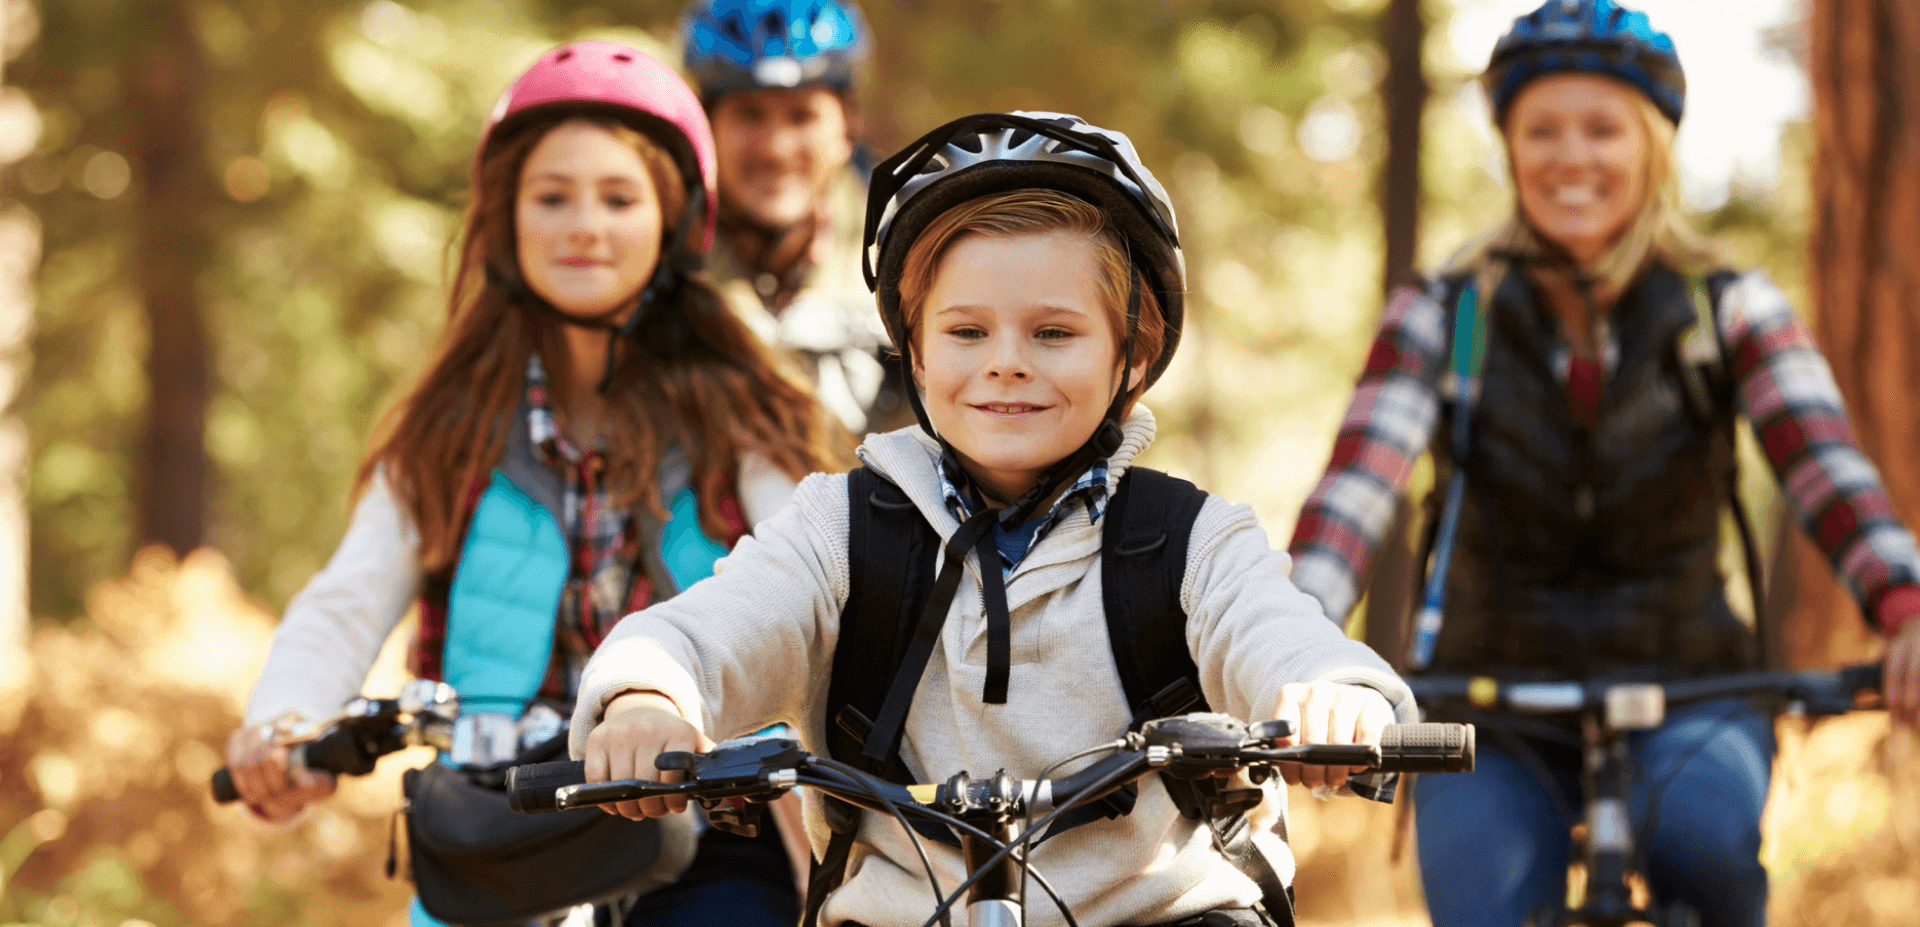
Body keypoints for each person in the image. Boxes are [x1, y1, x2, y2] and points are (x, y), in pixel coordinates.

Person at [565, 111, 1419, 927]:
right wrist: (647, 697)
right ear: (916, 350)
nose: (1006, 364)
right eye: (967, 331)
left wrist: (1333, 697)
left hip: (1157, 911)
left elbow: (1278, 633)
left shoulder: (1190, 538)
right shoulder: (838, 530)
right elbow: (708, 630)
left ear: (1135, 352)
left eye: (1054, 333)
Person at [1285, 3, 1920, 926]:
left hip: (1691, 685)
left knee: (1709, 854)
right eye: (1541, 130)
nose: (1569, 157)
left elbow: (1830, 474)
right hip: (1484, 701)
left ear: (1652, 145)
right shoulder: (1444, 310)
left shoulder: (1729, 307)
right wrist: (1298, 645)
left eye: (1601, 129)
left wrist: (1904, 605)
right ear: (1509, 149)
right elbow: (1354, 492)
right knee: (1480, 904)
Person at [220, 41, 835, 926]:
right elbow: (346, 599)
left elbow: (811, 580)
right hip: (502, 823)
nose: (585, 224)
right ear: (506, 219)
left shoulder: (741, 412)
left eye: (619, 199)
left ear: (672, 220)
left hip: (708, 822)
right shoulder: (450, 426)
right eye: (553, 198)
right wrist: (283, 722)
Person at [678, 0, 911, 437]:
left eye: (802, 115)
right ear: (705, 124)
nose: (776, 149)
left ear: (848, 126)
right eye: (750, 114)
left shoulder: (916, 263)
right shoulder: (653, 264)